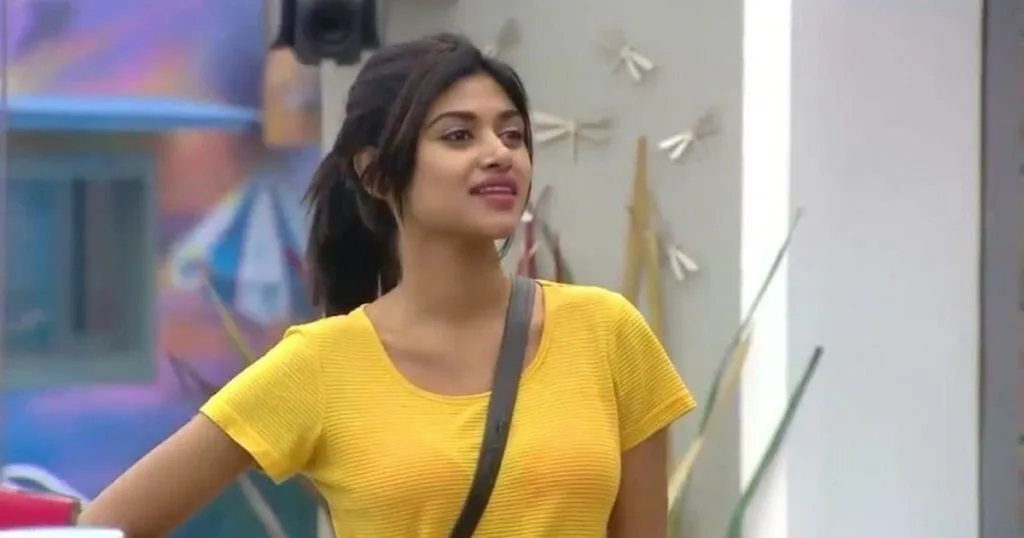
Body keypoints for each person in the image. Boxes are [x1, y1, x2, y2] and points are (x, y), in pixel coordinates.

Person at [78, 33, 696, 538]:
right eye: (458, 135)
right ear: (375, 174)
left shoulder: (606, 332)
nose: (499, 153)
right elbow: (105, 527)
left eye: (511, 134)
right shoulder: (321, 364)